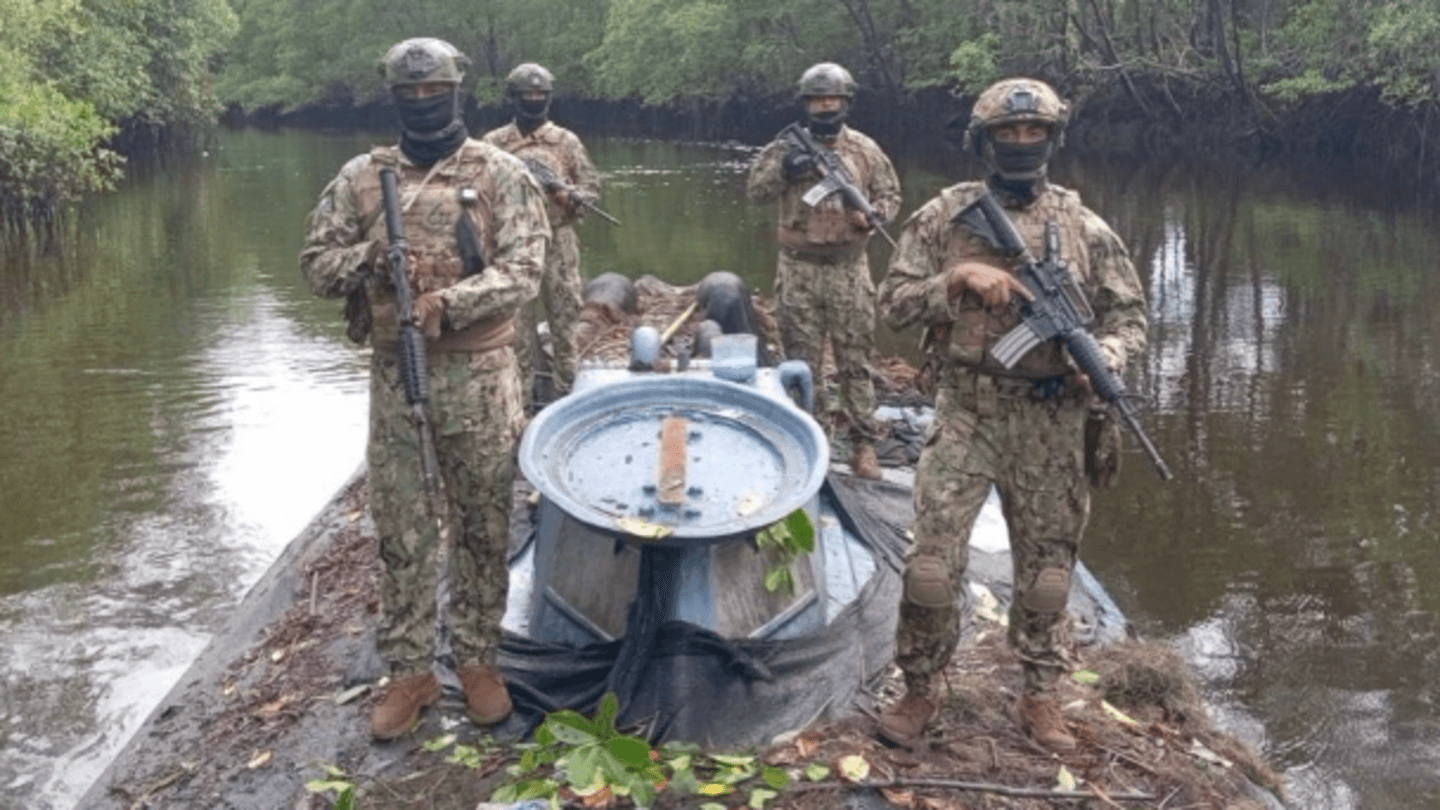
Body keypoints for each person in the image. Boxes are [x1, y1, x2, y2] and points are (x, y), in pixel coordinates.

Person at [873, 78, 1149, 750]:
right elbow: (892, 303)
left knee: (1050, 573)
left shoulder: (1085, 228)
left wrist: (1106, 357)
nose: (1022, 143)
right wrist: (956, 280)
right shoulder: (946, 217)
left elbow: (1130, 317)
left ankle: (1040, 695)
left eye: (1034, 132)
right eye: (1008, 132)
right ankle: (920, 688)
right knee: (931, 567)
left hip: (1052, 419)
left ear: (1053, 139)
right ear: (984, 140)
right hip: (968, 409)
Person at [300, 37, 550, 741]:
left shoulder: (501, 172)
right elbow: (315, 265)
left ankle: (477, 659)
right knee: (402, 528)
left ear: (456, 92)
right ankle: (409, 671)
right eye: (408, 93)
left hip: (481, 376)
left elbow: (525, 270)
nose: (422, 102)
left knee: (482, 523)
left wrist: (451, 303)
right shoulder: (361, 178)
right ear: (393, 98)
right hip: (395, 374)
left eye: (433, 91)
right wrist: (372, 258)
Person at [746, 62, 901, 480]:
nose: (825, 107)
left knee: (856, 358)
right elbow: (755, 192)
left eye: (832, 99)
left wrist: (876, 214)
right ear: (806, 104)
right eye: (817, 100)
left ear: (846, 102)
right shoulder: (784, 147)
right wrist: (785, 170)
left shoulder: (865, 149)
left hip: (849, 269)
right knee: (801, 359)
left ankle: (863, 442)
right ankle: (808, 437)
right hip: (799, 268)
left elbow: (890, 193)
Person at [484, 62, 600, 405]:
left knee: (565, 323)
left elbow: (591, 190)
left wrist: (570, 196)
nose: (534, 99)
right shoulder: (494, 143)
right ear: (514, 96)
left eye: (541, 94)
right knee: (514, 330)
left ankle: (567, 398)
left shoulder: (565, 141)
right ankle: (519, 405)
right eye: (527, 94)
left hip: (558, 241)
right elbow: (478, 194)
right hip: (511, 245)